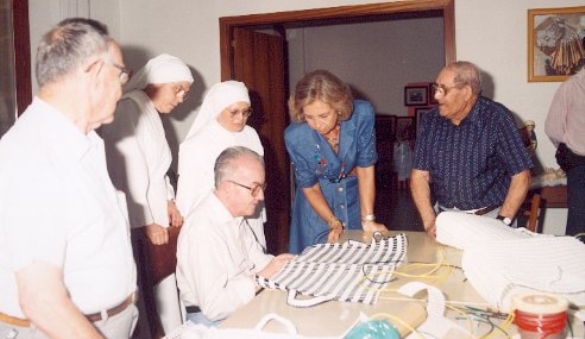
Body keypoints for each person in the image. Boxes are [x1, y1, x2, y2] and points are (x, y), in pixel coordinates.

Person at [0, 18, 137, 338]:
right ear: (96, 71)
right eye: (122, 74)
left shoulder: (82, 141)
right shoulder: (31, 154)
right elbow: (42, 301)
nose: (122, 86)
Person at [100, 54, 193, 335]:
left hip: (155, 215)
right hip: (138, 222)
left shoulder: (150, 111)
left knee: (165, 288)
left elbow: (157, 167)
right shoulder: (129, 108)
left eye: (184, 93)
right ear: (155, 82)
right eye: (176, 89)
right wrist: (146, 220)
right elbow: (125, 172)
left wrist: (168, 199)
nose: (179, 99)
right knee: (148, 299)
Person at [411, 61, 533, 238]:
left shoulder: (497, 118)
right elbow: (419, 175)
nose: (436, 96)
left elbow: (521, 176)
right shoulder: (430, 120)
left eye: (443, 90)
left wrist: (502, 223)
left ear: (466, 92)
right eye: (436, 88)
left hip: (489, 219)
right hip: (445, 220)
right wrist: (430, 221)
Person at [176, 146, 293, 325]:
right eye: (254, 189)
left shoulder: (235, 216)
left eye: (262, 188)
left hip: (242, 307)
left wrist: (285, 266)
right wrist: (263, 276)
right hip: (210, 322)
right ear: (228, 188)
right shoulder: (202, 229)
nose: (261, 196)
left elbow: (257, 260)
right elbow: (214, 307)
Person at [285, 70, 387, 254]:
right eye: (309, 117)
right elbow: (310, 187)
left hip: (353, 198)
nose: (317, 124)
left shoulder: (361, 115)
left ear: (338, 107)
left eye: (323, 116)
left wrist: (368, 219)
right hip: (316, 206)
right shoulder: (296, 137)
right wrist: (332, 222)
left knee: (357, 256)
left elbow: (365, 168)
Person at [176, 81, 266, 249]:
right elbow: (188, 194)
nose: (241, 118)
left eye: (246, 112)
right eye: (234, 112)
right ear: (218, 108)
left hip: (249, 213)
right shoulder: (197, 143)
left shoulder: (251, 134)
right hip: (215, 223)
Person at [545, 64, 585, 239]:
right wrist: (572, 144)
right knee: (579, 228)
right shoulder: (571, 86)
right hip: (580, 165)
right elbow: (553, 128)